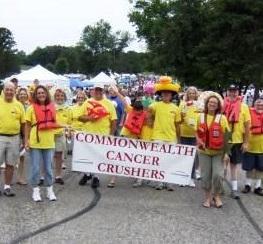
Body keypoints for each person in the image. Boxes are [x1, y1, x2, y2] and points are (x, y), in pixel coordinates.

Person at [78, 84, 117, 188]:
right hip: (88, 134)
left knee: (98, 156)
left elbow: (114, 120)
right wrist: (90, 118)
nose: (98, 92)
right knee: (87, 156)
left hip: (102, 135)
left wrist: (111, 135)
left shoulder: (109, 104)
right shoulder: (87, 102)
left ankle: (96, 177)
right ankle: (87, 174)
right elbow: (80, 117)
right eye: (96, 90)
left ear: (103, 91)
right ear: (93, 91)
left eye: (100, 90)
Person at [25, 85, 59, 202]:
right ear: (35, 95)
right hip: (35, 141)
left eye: (43, 93)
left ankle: (50, 190)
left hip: (49, 142)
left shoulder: (52, 107)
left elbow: (56, 123)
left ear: (46, 94)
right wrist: (26, 140)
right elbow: (27, 125)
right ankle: (35, 190)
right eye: (38, 93)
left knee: (49, 168)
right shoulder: (30, 108)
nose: (41, 95)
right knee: (35, 168)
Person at [197, 93, 230, 208]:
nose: (212, 104)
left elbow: (227, 136)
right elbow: (197, 132)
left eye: (214, 103)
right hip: (204, 152)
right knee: (205, 176)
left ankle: (216, 196)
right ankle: (207, 197)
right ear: (207, 104)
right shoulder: (200, 116)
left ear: (218, 106)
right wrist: (198, 141)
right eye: (210, 102)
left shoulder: (222, 118)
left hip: (218, 152)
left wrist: (226, 153)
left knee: (217, 175)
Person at [149, 76, 181, 191]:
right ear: (160, 95)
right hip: (158, 136)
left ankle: (168, 181)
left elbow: (177, 125)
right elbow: (148, 111)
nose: (166, 95)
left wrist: (179, 138)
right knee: (159, 160)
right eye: (163, 94)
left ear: (172, 96)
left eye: (168, 94)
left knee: (170, 160)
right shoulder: (155, 105)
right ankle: (159, 182)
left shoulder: (176, 108)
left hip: (171, 137)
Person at [223, 84, 250, 199]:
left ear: (238, 93)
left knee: (233, 166)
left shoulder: (244, 107)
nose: (232, 93)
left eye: (234, 91)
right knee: (222, 165)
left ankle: (234, 189)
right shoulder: (222, 105)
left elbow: (247, 125)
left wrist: (246, 142)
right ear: (227, 92)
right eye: (230, 91)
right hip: (223, 139)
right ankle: (220, 187)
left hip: (237, 140)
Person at [0, 82, 25, 196]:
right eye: (7, 89)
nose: (9, 92)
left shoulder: (19, 105)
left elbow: (23, 124)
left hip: (15, 138)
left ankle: (7, 187)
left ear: (15, 91)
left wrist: (25, 139)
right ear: (3, 90)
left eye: (11, 90)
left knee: (10, 164)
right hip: (0, 137)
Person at [179, 86, 200, 187]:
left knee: (193, 156)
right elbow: (180, 118)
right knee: (183, 156)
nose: (192, 95)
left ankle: (191, 177)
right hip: (184, 133)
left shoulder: (200, 104)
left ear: (196, 94)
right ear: (187, 94)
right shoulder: (182, 104)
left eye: (193, 93)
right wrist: (183, 118)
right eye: (190, 93)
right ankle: (183, 177)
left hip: (195, 134)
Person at [242, 97, 263, 196]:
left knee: (260, 167)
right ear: (254, 105)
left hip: (261, 146)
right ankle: (247, 185)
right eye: (258, 104)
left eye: (261, 105)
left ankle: (258, 187)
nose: (259, 106)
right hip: (250, 144)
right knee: (249, 166)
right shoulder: (249, 113)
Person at [53, 88, 71, 185]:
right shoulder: (50, 107)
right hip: (49, 134)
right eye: (57, 96)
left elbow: (69, 122)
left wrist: (68, 132)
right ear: (54, 97)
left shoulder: (68, 109)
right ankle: (43, 176)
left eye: (61, 96)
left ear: (64, 97)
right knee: (47, 156)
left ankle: (58, 176)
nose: (60, 98)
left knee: (59, 155)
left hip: (60, 135)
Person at [16, 88, 30, 185]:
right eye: (21, 94)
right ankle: (8, 179)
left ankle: (20, 178)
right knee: (11, 157)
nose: (23, 96)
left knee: (22, 157)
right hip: (15, 134)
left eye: (24, 94)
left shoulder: (29, 107)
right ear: (18, 95)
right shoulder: (15, 105)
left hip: (24, 134)